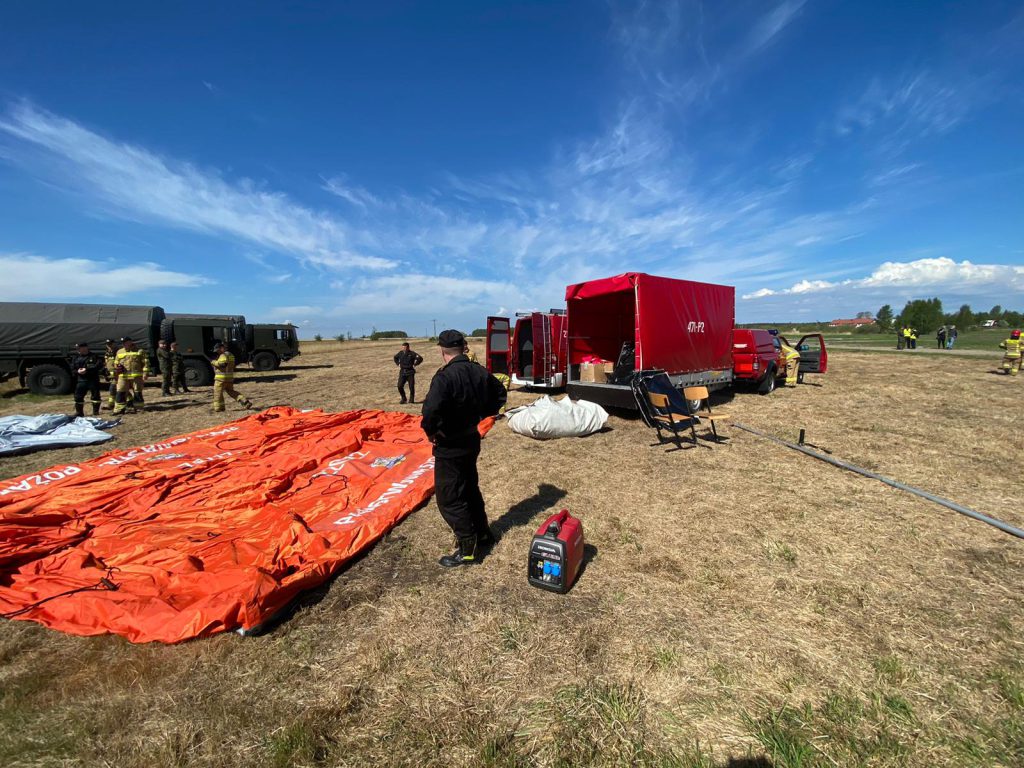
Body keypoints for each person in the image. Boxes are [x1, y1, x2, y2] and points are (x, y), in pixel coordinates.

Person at [421, 330, 507, 567]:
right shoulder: (479, 371)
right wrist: (482, 415)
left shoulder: (444, 377)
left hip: (450, 445)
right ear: (463, 348)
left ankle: (467, 547)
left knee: (449, 498)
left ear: (442, 350)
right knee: (469, 488)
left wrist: (431, 432)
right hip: (471, 439)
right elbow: (500, 393)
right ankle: (483, 534)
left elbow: (430, 411)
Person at [211, 341, 254, 412]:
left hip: (221, 378)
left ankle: (219, 408)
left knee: (218, 393)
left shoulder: (223, 355)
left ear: (222, 348)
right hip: (229, 378)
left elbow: (223, 364)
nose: (217, 352)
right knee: (231, 391)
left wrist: (214, 362)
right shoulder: (231, 355)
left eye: (218, 350)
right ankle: (245, 402)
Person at [112, 336, 148, 415]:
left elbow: (145, 363)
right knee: (120, 392)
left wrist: (145, 373)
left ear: (130, 342)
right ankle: (119, 410)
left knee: (137, 392)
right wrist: (117, 369)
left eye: (126, 342)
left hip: (136, 376)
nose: (124, 344)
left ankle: (139, 408)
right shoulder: (119, 352)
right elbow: (116, 363)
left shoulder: (140, 351)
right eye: (123, 343)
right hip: (123, 377)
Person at [70, 342, 103, 417]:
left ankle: (95, 412)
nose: (78, 350)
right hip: (81, 380)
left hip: (93, 380)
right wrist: (77, 371)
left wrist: (87, 370)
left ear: (85, 348)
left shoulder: (94, 356)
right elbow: (72, 368)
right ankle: (79, 412)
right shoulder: (76, 357)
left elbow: (98, 366)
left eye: (79, 348)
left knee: (95, 396)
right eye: (77, 349)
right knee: (78, 396)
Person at [103, 338, 119, 410]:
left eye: (110, 344)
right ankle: (111, 404)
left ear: (114, 344)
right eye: (107, 344)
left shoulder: (117, 352)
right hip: (111, 374)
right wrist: (106, 371)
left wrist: (116, 372)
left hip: (117, 374)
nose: (109, 346)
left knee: (113, 389)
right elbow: (107, 362)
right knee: (116, 389)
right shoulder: (107, 352)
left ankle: (111, 405)